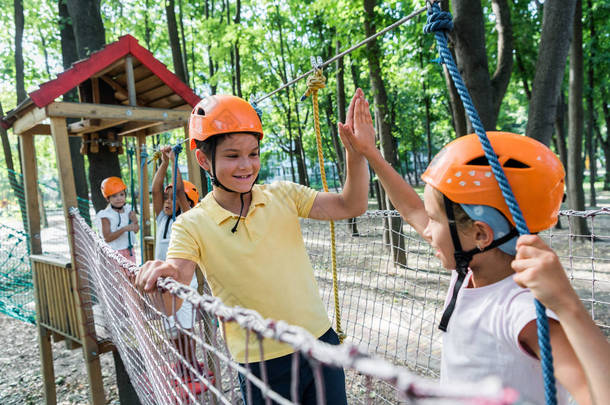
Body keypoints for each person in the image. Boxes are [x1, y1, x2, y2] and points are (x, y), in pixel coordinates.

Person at [339, 95, 593, 404]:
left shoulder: (521, 309)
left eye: (435, 220)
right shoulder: (469, 268)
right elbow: (411, 210)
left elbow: (594, 390)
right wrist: (370, 153)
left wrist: (569, 306)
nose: (427, 229)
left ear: (480, 234)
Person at [136, 92, 370, 404]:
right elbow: (171, 300)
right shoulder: (191, 224)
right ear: (204, 159)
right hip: (259, 363)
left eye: (253, 153)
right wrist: (162, 277)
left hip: (319, 346)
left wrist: (357, 155)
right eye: (232, 156)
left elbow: (350, 204)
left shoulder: (283, 195)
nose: (246, 166)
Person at [512, 235, 610, 405]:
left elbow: (592, 396)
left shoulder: (525, 312)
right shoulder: (463, 280)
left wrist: (565, 302)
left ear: (480, 234)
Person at [151, 145, 203, 392]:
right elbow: (154, 190)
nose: (167, 201)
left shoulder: (187, 218)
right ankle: (182, 363)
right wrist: (163, 162)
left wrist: (174, 161)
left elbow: (180, 190)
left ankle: (191, 364)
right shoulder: (162, 218)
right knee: (172, 327)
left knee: (186, 326)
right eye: (167, 197)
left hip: (184, 282)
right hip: (165, 283)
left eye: (173, 198)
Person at [97, 176, 139, 263]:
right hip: (114, 253)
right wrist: (124, 229)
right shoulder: (106, 215)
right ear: (107, 198)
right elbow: (107, 238)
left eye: (122, 194)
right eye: (114, 196)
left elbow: (136, 230)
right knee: (117, 276)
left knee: (130, 275)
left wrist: (134, 221)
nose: (119, 198)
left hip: (129, 251)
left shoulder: (128, 210)